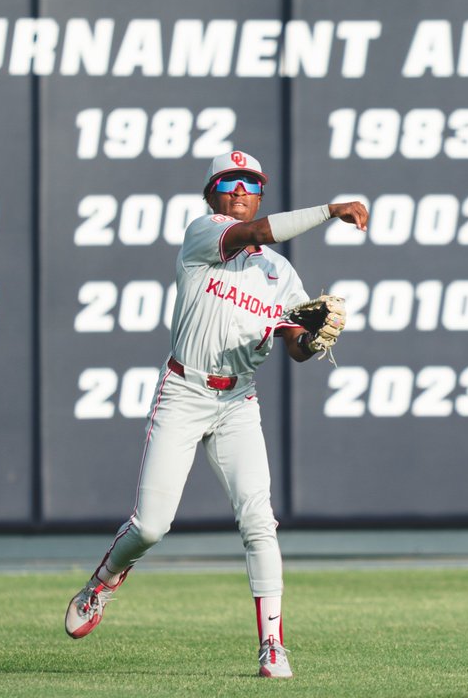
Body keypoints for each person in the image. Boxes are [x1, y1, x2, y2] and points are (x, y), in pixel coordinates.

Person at [64, 150, 369, 679]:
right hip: (184, 390)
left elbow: (292, 342)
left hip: (237, 401)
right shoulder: (205, 235)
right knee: (151, 526)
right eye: (229, 182)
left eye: (251, 183)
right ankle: (103, 582)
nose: (241, 190)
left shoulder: (278, 272)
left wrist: (313, 338)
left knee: (259, 521)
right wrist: (328, 210)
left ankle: (272, 645)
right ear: (212, 194)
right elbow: (253, 234)